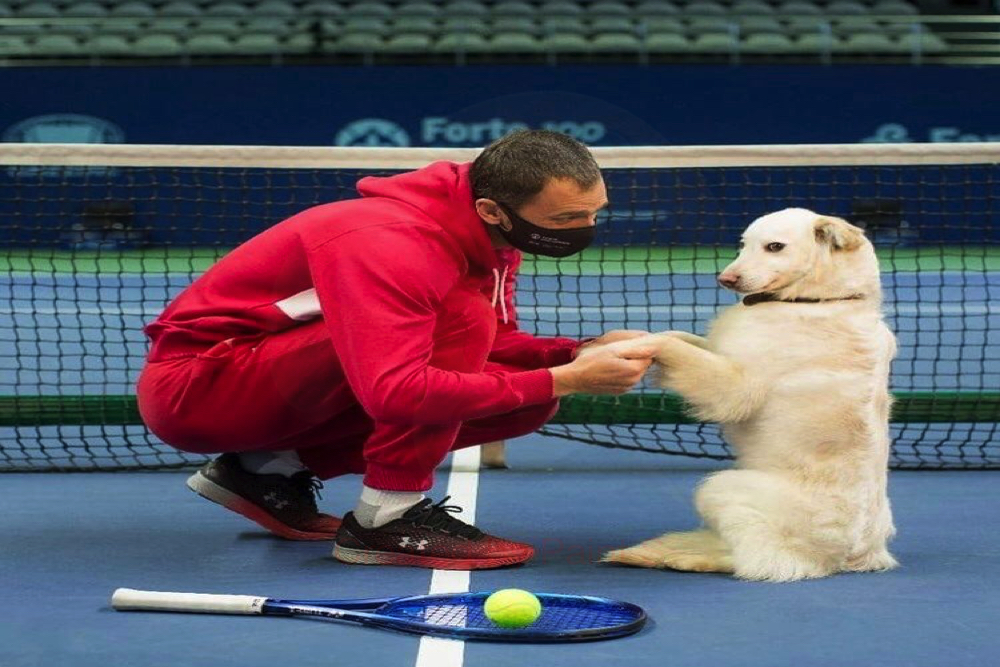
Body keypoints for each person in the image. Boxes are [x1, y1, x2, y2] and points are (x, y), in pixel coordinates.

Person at [136, 129, 657, 570]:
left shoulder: (492, 240)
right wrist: (569, 378)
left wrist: (575, 352)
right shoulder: (391, 244)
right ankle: (387, 517)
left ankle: (263, 469)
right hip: (200, 389)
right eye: (565, 219)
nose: (584, 229)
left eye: (595, 214)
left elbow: (496, 344)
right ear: (491, 209)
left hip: (269, 383)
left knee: (526, 398)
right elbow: (397, 392)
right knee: (466, 323)